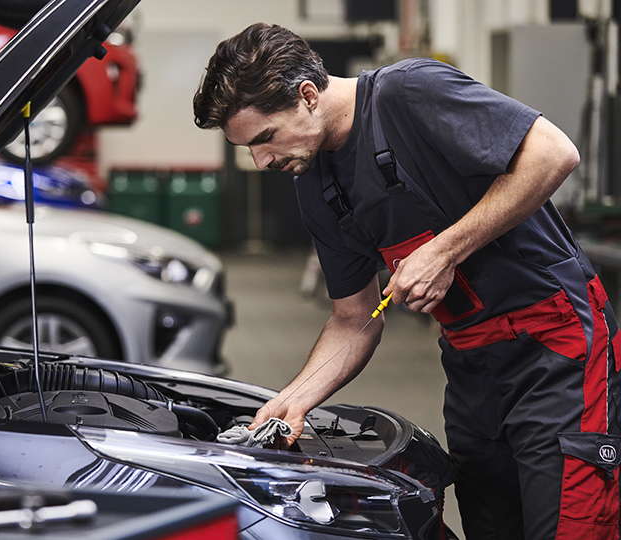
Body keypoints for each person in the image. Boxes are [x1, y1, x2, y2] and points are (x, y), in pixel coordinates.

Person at [193, 22, 621, 540]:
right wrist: (293, 400)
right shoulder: (315, 184)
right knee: (492, 526)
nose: (262, 161)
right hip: (472, 366)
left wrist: (444, 250)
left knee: (572, 526)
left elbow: (554, 154)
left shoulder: (410, 94)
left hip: (555, 346)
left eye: (265, 138)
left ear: (308, 95)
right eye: (249, 150)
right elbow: (354, 319)